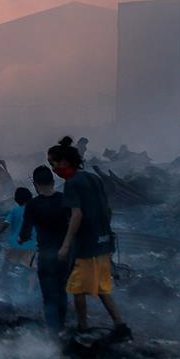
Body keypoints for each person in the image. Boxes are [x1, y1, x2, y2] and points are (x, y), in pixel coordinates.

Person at [48, 137, 131, 340]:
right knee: (102, 288)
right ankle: (121, 326)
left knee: (77, 288)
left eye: (54, 163)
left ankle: (83, 328)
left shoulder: (72, 184)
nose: (53, 168)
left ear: (65, 162)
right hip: (103, 242)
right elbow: (107, 209)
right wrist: (106, 233)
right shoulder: (94, 178)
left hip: (87, 246)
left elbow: (76, 215)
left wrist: (66, 244)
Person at [19, 166, 71, 334]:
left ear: (35, 184)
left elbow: (25, 232)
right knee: (61, 289)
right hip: (64, 253)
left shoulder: (33, 205)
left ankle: (52, 329)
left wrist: (21, 239)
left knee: (48, 293)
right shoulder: (65, 200)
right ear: (53, 182)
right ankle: (61, 325)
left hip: (46, 255)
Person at [0, 187, 37, 281]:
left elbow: (5, 224)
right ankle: (29, 291)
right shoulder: (35, 211)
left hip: (15, 244)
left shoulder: (15, 210)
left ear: (17, 199)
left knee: (6, 265)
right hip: (31, 245)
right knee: (31, 268)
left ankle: (2, 284)